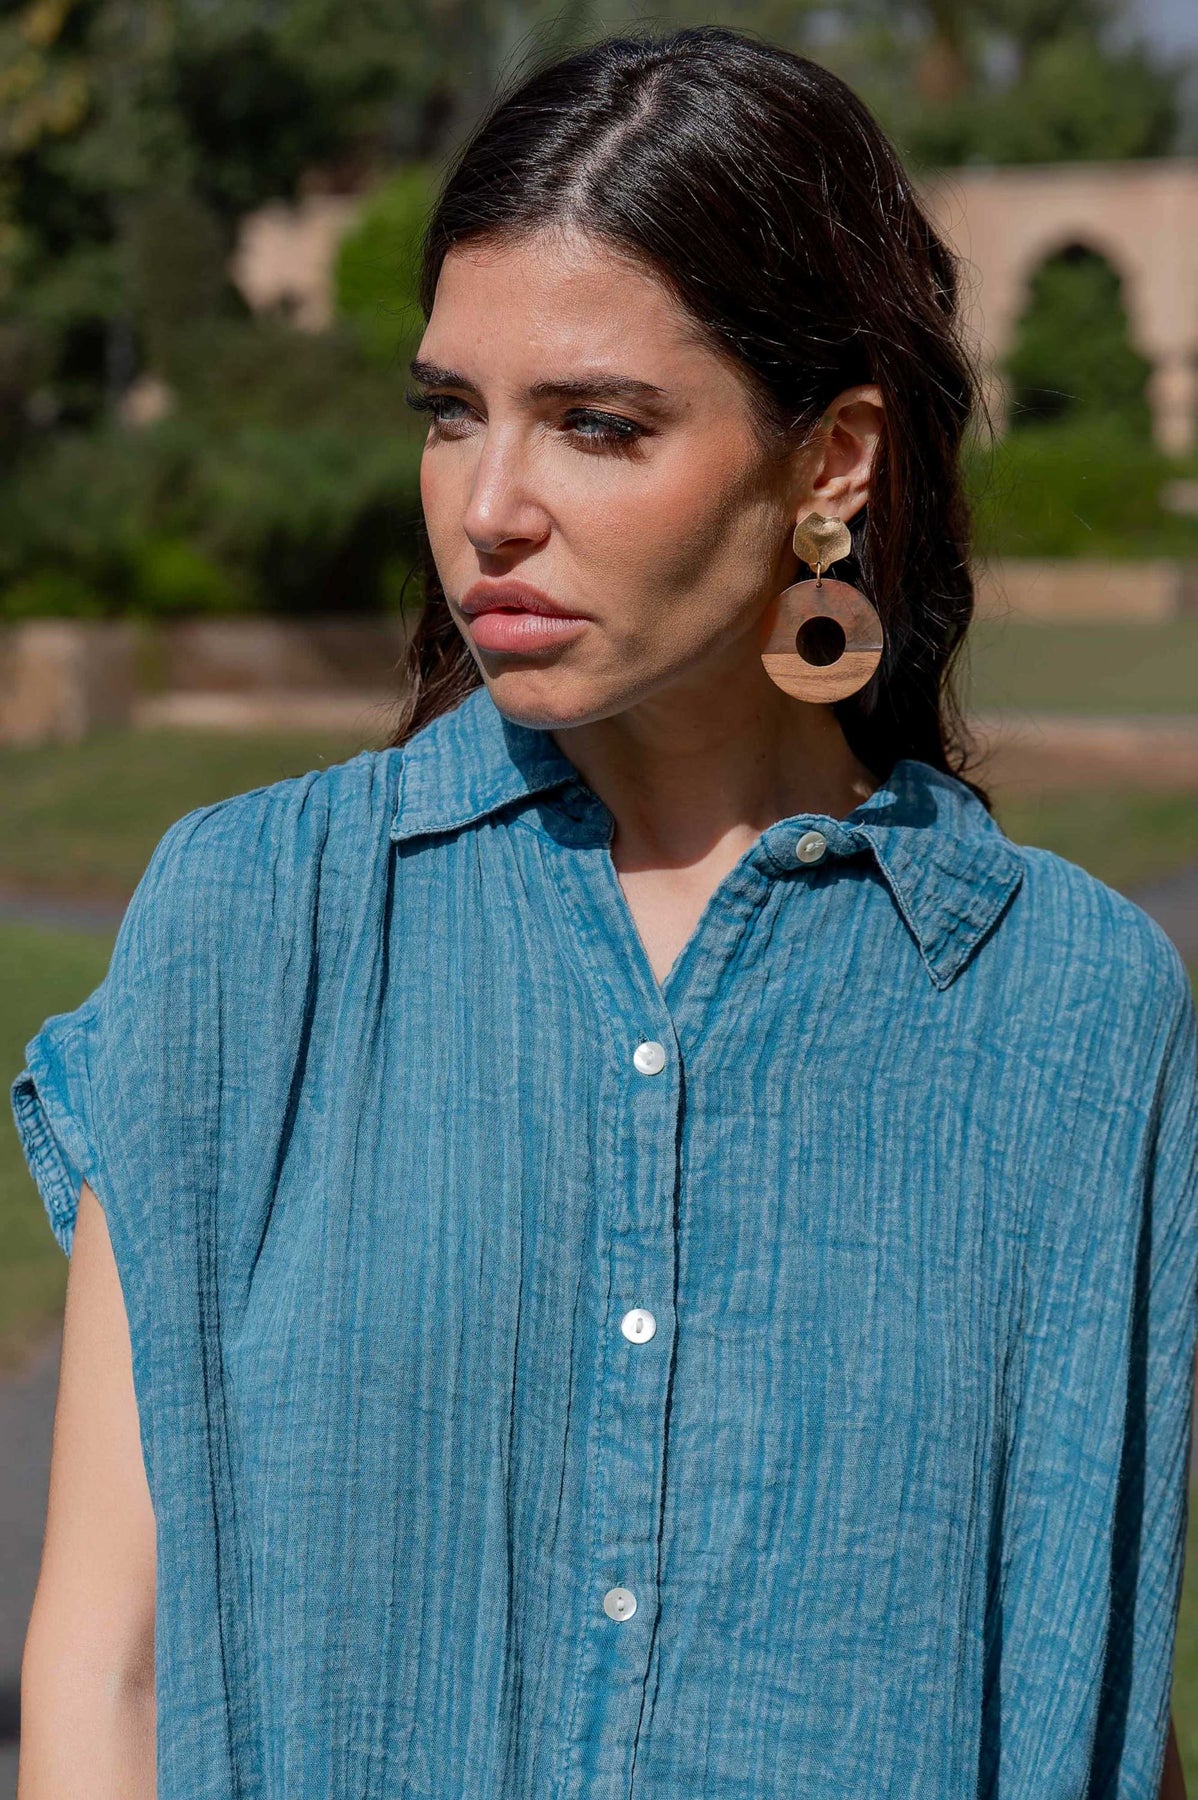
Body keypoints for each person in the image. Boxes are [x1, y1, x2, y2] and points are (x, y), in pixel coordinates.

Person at [11, 25, 1196, 1800]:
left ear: (832, 460)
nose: (487, 509)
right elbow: (107, 1668)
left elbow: (1088, 1681)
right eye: (449, 412)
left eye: (596, 424)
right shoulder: (252, 931)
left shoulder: (1068, 1012)